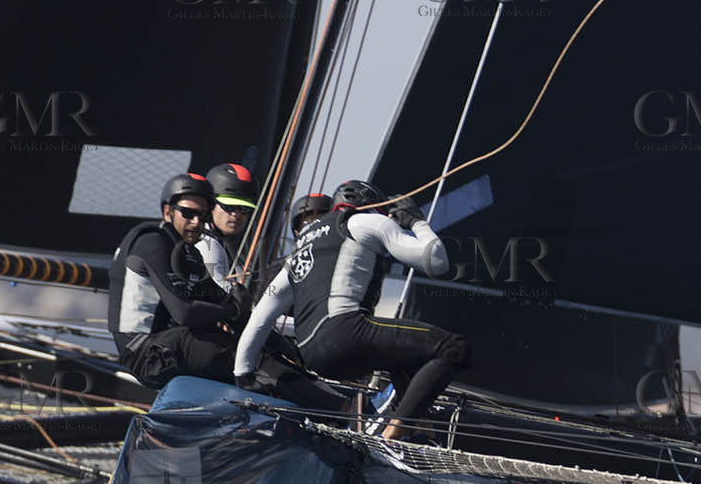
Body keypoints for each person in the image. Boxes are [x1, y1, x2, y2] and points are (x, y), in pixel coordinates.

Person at [234, 179, 466, 441]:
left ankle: (418, 429)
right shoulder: (366, 221)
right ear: (372, 205)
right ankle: (394, 430)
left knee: (404, 354)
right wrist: (416, 222)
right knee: (452, 347)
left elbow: (262, 315)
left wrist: (242, 373)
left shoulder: (299, 250)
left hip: (313, 354)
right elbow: (437, 261)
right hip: (345, 333)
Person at [107, 171, 353, 411]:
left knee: (255, 348)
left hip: (169, 345)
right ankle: (344, 410)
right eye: (188, 213)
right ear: (167, 211)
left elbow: (230, 309)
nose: (196, 222)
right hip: (145, 353)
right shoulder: (152, 241)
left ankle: (321, 405)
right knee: (249, 359)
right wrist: (233, 307)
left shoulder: (187, 252)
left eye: (202, 216)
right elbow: (184, 313)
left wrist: (281, 344)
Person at [196, 162, 258, 290]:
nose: (236, 214)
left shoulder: (233, 247)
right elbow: (222, 295)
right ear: (209, 205)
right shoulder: (206, 245)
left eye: (244, 208)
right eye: (228, 207)